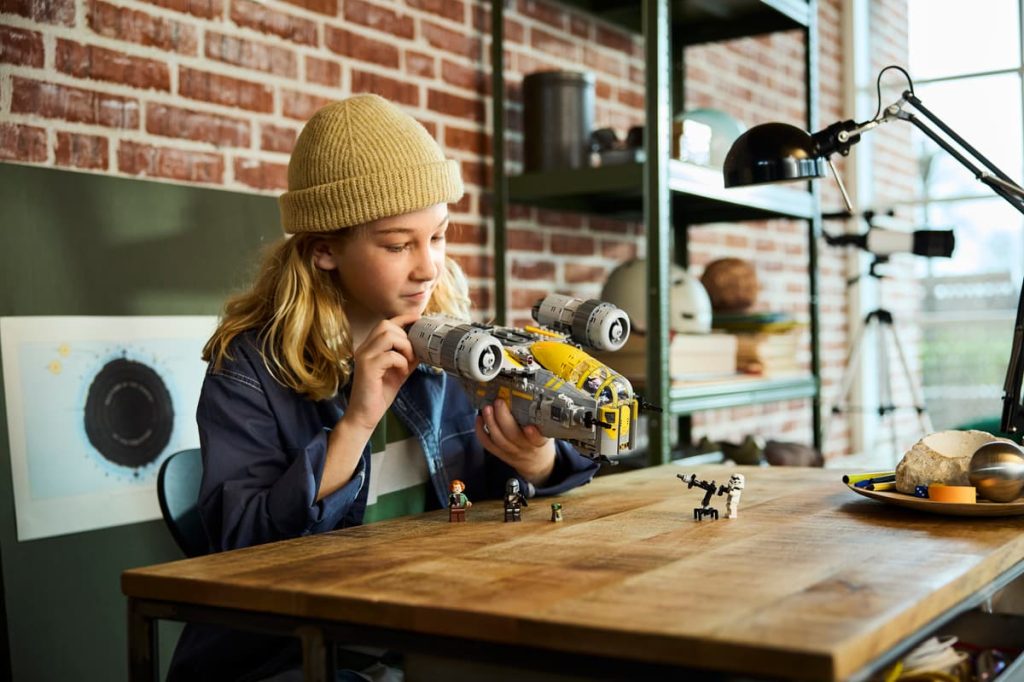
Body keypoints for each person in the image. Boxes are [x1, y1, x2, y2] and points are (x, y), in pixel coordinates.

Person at [166, 94, 599, 681]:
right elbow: (244, 545)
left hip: (426, 632)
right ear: (324, 249)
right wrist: (358, 422)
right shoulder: (249, 367)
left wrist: (537, 461)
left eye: (438, 236)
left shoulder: (454, 347)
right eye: (398, 245)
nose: (428, 267)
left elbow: (507, 500)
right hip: (299, 654)